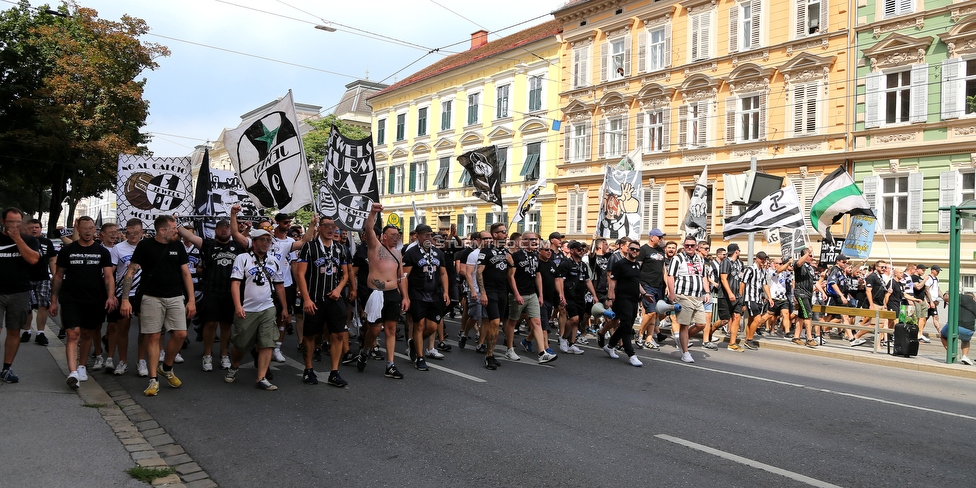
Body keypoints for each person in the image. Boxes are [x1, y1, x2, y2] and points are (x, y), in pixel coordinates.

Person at [119, 215, 196, 397]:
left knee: (181, 334)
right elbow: (131, 271)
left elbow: (186, 274)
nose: (176, 231)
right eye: (173, 228)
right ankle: (153, 380)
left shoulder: (178, 246)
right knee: (153, 337)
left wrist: (191, 299)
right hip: (151, 297)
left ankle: (166, 367)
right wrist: (124, 299)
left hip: (176, 296)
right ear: (162, 230)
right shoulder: (145, 246)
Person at [48, 216, 116, 388]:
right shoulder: (67, 250)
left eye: (91, 228)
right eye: (84, 228)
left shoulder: (102, 252)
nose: (87, 231)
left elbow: (108, 276)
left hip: (94, 299)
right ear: (78, 229)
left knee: (87, 334)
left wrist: (110, 296)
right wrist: (53, 300)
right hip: (71, 299)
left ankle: (81, 366)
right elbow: (58, 275)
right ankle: (72, 373)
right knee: (72, 334)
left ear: (95, 230)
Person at [176, 218, 246, 372]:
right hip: (211, 290)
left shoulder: (237, 246)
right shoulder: (208, 245)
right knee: (210, 324)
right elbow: (190, 237)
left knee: (226, 324)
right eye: (221, 228)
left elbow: (248, 239)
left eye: (227, 228)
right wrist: (176, 223)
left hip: (230, 291)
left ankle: (224, 354)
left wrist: (240, 225)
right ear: (215, 230)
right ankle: (207, 354)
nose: (224, 230)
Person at [225, 228, 288, 390]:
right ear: (254, 242)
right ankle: (235, 365)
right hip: (247, 309)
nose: (266, 243)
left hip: (268, 307)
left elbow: (279, 286)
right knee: (240, 344)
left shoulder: (273, 261)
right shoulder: (243, 258)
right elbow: (235, 283)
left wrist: (284, 308)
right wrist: (238, 306)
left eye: (268, 240)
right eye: (262, 240)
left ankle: (261, 378)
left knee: (267, 342)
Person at [295, 216, 352, 386]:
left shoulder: (340, 249)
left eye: (333, 226)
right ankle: (308, 369)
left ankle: (334, 372)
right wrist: (306, 299)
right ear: (319, 227)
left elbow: (345, 274)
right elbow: (300, 274)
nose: (330, 229)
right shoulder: (309, 247)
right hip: (315, 298)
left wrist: (339, 289)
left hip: (334, 298)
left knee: (338, 334)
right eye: (326, 225)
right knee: (311, 336)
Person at [356, 204, 407, 379]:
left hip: (393, 293)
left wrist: (405, 296)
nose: (396, 238)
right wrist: (372, 212)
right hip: (376, 293)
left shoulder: (398, 254)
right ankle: (365, 350)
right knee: (375, 330)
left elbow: (401, 277)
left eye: (398, 235)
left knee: (391, 329)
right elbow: (369, 228)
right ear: (384, 236)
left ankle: (390, 365)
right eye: (393, 235)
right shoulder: (375, 246)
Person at [0, 207, 40, 383]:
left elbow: (33, 259)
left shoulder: (29, 240)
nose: (15, 226)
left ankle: (7, 368)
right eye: (11, 222)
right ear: (3, 222)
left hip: (19, 292)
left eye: (18, 222)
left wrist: (17, 238)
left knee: (14, 330)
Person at [402, 224, 450, 370]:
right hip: (417, 293)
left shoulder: (438, 253)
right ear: (418, 236)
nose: (429, 238)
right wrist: (405, 296)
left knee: (432, 327)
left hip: (434, 294)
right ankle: (420, 357)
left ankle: (413, 343)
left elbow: (443, 273)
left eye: (431, 235)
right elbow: (404, 276)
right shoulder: (411, 253)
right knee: (419, 324)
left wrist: (446, 292)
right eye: (426, 235)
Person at [506, 232, 556, 363]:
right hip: (518, 293)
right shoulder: (516, 256)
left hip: (532, 294)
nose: (535, 242)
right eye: (532, 240)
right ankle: (510, 349)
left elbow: (538, 275)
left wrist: (540, 295)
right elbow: (511, 276)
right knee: (512, 321)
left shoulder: (535, 256)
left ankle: (542, 353)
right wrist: (516, 294)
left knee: (537, 322)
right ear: (524, 241)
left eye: (536, 240)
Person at [106, 219, 145, 376]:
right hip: (125, 292)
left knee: (145, 328)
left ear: (142, 232)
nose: (133, 235)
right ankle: (122, 361)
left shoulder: (147, 247)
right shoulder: (118, 248)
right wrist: (111, 294)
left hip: (144, 292)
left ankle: (141, 361)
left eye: (136, 233)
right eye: (129, 232)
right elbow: (110, 272)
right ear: (125, 231)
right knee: (123, 327)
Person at [666, 237, 710, 363]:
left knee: (701, 324)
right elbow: (671, 276)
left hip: (697, 296)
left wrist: (707, 292)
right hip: (683, 295)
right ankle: (685, 352)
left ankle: (681, 340)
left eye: (692, 245)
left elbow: (704, 277)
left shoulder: (700, 258)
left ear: (696, 246)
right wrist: (672, 293)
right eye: (687, 245)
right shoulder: (677, 258)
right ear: (684, 246)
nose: (689, 248)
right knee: (684, 324)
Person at [603, 240, 644, 366]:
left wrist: (645, 293)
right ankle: (631, 354)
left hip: (633, 299)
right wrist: (610, 298)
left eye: (637, 250)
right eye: (632, 249)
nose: (634, 251)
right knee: (626, 326)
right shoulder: (620, 264)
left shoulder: (637, 265)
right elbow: (612, 282)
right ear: (627, 249)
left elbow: (636, 283)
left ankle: (609, 346)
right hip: (622, 299)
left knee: (626, 324)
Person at [476, 222, 511, 369]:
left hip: (503, 291)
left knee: (498, 324)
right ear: (495, 235)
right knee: (494, 322)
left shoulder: (506, 252)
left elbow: (510, 274)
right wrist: (482, 293)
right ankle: (488, 356)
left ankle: (491, 353)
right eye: (503, 231)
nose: (506, 234)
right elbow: (479, 272)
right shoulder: (486, 251)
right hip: (490, 291)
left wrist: (512, 263)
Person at [20, 219, 56, 346]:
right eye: (31, 227)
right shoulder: (22, 241)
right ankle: (27, 331)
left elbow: (52, 259)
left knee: (43, 305)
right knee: (27, 307)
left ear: (41, 229)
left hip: (43, 278)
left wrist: (55, 274)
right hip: (26, 278)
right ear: (25, 229)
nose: (34, 229)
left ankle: (40, 332)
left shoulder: (47, 242)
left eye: (37, 227)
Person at [555, 240, 594, 355]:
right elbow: (560, 280)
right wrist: (561, 294)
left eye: (583, 250)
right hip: (569, 295)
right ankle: (564, 338)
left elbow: (588, 281)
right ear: (572, 251)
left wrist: (594, 295)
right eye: (579, 249)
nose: (582, 251)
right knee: (574, 318)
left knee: (578, 321)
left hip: (580, 296)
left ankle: (572, 344)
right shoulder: (566, 263)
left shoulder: (583, 265)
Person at [636, 229, 667, 349]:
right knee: (651, 312)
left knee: (655, 314)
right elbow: (637, 268)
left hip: (659, 286)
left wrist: (668, 287)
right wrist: (639, 286)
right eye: (659, 237)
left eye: (661, 237)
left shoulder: (660, 250)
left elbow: (664, 269)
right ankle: (639, 335)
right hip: (646, 285)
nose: (661, 239)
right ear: (652, 237)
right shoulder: (643, 250)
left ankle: (649, 338)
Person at [738, 251, 772, 351]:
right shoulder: (750, 269)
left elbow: (765, 285)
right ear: (756, 258)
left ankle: (747, 339)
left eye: (765, 259)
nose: (763, 261)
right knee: (757, 320)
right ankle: (749, 339)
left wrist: (770, 297)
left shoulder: (762, 271)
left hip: (758, 298)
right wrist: (741, 298)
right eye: (761, 259)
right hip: (750, 298)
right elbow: (743, 283)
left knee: (751, 320)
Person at [791, 247, 819, 348]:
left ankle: (796, 337)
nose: (811, 257)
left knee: (802, 316)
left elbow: (815, 282)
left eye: (811, 256)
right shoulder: (799, 265)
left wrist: (822, 292)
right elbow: (798, 263)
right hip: (801, 293)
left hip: (808, 294)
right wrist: (807, 253)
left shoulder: (810, 268)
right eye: (810, 255)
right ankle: (809, 338)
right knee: (808, 315)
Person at [721, 243, 745, 352]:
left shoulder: (740, 263)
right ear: (736, 251)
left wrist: (740, 294)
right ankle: (710, 332)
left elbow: (741, 279)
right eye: (739, 250)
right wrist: (730, 293)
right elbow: (723, 279)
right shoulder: (726, 262)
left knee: (737, 317)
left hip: (737, 296)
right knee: (725, 320)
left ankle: (732, 343)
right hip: (725, 295)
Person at [942, 292, 976, 365]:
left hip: (954, 326)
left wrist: (947, 300)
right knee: (966, 340)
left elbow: (947, 296)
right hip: (968, 329)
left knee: (942, 335)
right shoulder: (974, 304)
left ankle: (950, 352)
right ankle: (965, 356)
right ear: (974, 298)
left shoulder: (960, 297)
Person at [922, 265, 943, 341]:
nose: (938, 272)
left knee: (935, 317)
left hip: (933, 301)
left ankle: (940, 333)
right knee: (924, 319)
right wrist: (930, 301)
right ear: (932, 270)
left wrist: (943, 298)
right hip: (928, 301)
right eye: (937, 271)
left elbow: (938, 289)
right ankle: (919, 333)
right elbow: (926, 290)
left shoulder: (937, 279)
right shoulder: (928, 278)